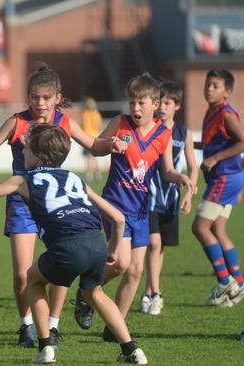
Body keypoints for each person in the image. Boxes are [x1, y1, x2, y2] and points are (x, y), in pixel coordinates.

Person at [0, 123, 148, 364]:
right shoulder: (75, 178)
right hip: (96, 243)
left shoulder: (24, 180)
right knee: (95, 292)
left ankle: (45, 348)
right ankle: (132, 350)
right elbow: (118, 218)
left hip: (68, 246)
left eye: (26, 148)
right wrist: (112, 249)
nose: (23, 152)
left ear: (37, 155)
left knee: (34, 280)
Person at [0, 65, 125, 347]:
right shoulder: (17, 122)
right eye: (34, 97)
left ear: (57, 97)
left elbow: (94, 145)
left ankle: (52, 326)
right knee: (22, 273)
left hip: (57, 204)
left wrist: (111, 143)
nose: (40, 103)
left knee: (61, 268)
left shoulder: (64, 121)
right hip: (21, 201)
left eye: (46, 97)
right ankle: (26, 326)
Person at [73, 73, 195, 341]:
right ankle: (86, 290)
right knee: (120, 263)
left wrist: (181, 178)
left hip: (141, 209)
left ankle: (113, 327)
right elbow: (95, 148)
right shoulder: (120, 122)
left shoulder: (164, 134)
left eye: (141, 103)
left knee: (136, 270)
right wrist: (110, 144)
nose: (136, 108)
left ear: (155, 104)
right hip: (115, 207)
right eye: (132, 103)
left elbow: (167, 171)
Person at [140, 81, 198, 315]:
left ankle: (146, 293)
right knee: (153, 244)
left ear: (177, 106)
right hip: (149, 196)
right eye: (160, 102)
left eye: (168, 102)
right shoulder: (150, 128)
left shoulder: (184, 134)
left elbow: (193, 166)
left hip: (171, 199)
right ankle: (156, 293)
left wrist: (189, 195)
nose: (163, 107)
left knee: (159, 248)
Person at [191, 69, 244, 307]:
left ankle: (225, 283)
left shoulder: (226, 113)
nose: (209, 88)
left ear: (227, 92)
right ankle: (239, 282)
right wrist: (188, 143)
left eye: (215, 85)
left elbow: (242, 141)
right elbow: (214, 142)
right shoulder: (211, 111)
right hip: (230, 176)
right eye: (208, 84)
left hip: (226, 176)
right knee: (219, 229)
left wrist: (214, 159)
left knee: (200, 227)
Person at [80, 97, 103, 182]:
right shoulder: (97, 114)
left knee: (89, 158)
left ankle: (89, 175)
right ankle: (98, 174)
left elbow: (82, 125)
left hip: (87, 136)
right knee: (94, 157)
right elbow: (99, 126)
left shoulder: (85, 113)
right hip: (95, 136)